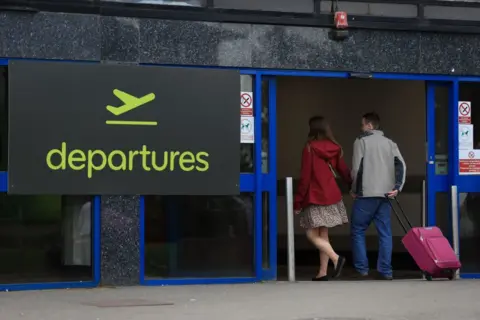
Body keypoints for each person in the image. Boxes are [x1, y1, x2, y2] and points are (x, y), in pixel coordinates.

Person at [294, 116, 353, 281]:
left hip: (315, 195)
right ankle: (322, 272)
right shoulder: (335, 147)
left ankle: (336, 258)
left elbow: (305, 178)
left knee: (311, 235)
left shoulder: (310, 148)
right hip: (331, 194)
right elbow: (343, 170)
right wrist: (351, 185)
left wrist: (298, 200)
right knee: (323, 234)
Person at [350, 112, 406, 280]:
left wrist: (354, 190)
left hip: (366, 194)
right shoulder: (390, 143)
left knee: (358, 230)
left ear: (369, 126)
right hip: (385, 195)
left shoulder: (361, 141)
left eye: (362, 124)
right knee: (385, 233)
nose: (361, 127)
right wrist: (397, 187)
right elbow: (401, 165)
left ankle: (362, 269)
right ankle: (385, 271)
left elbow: (356, 169)